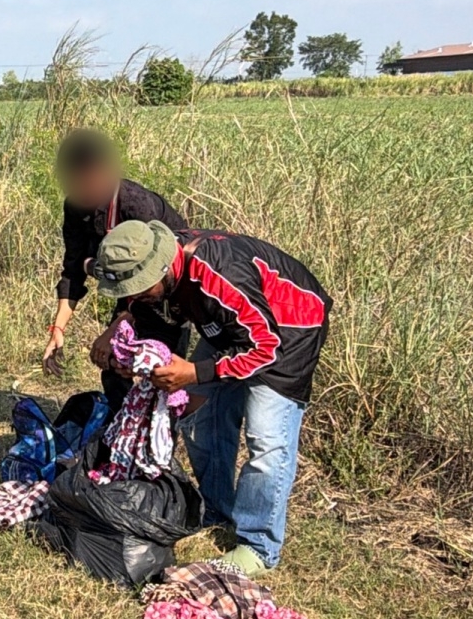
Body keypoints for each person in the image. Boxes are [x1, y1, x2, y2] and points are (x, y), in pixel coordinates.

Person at [90, 220, 331, 578]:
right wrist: (140, 363)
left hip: (290, 329)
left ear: (161, 268)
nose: (135, 296)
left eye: (140, 288)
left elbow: (266, 348)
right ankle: (217, 510)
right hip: (233, 329)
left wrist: (195, 372)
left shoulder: (218, 274)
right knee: (202, 422)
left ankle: (259, 546)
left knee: (267, 439)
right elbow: (161, 322)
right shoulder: (160, 272)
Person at [42, 129, 189, 408]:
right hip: (127, 289)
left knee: (163, 371)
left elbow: (153, 277)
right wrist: (58, 329)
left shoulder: (135, 204)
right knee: (113, 363)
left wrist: (115, 328)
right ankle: (119, 424)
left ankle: (165, 425)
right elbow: (73, 271)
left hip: (169, 292)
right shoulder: (75, 208)